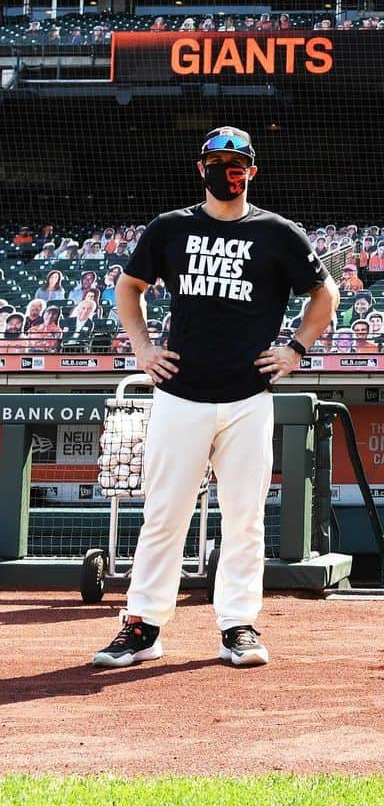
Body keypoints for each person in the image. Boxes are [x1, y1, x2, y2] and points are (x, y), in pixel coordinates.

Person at [92, 126, 338, 671]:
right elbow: (128, 287)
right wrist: (142, 346)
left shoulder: (278, 233)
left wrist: (296, 349)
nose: (226, 169)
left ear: (253, 169)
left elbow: (326, 292)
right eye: (216, 159)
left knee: (245, 517)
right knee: (164, 514)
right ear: (199, 166)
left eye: (236, 161)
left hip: (248, 396)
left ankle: (237, 625)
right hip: (179, 393)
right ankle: (142, 626)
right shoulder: (170, 228)